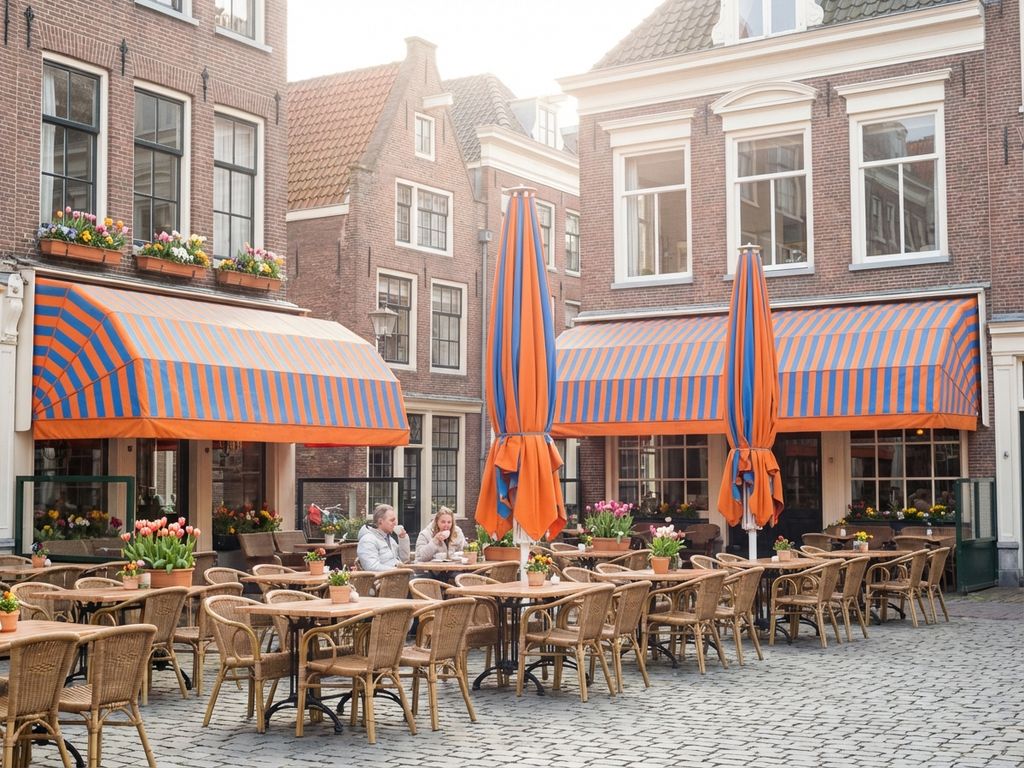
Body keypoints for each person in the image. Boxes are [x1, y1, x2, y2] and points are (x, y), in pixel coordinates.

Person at [356, 503, 411, 572]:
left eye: (395, 520)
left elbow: (404, 559)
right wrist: (397, 570)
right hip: (382, 581)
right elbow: (371, 567)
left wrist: (403, 539)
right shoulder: (367, 540)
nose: (395, 523)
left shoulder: (390, 539)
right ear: (380, 521)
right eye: (392, 520)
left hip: (397, 578)